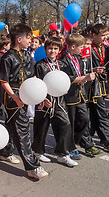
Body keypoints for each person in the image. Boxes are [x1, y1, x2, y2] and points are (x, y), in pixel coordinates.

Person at [0, 24, 48, 179]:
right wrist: (15, 98)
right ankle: (33, 166)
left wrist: (40, 95)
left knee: (12, 124)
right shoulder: (7, 57)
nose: (30, 41)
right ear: (19, 39)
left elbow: (32, 78)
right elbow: (4, 81)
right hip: (13, 96)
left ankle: (5, 151)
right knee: (23, 129)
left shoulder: (27, 55)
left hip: (26, 93)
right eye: (28, 38)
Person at [31, 37, 76, 167]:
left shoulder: (63, 64)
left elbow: (65, 80)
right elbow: (36, 83)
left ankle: (63, 154)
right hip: (44, 100)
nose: (52, 51)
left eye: (55, 48)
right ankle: (37, 151)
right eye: (50, 48)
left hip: (59, 100)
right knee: (41, 126)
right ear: (45, 49)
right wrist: (42, 98)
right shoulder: (40, 65)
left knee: (65, 124)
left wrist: (64, 88)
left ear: (59, 50)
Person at [60, 34, 101, 158]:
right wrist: (83, 78)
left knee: (84, 119)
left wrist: (88, 74)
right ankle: (70, 147)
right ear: (73, 46)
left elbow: (81, 72)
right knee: (71, 122)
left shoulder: (77, 57)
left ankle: (75, 140)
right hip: (71, 96)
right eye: (81, 46)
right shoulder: (63, 60)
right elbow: (65, 78)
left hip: (81, 94)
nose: (83, 49)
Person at [88, 24, 109, 151]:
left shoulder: (106, 48)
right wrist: (93, 69)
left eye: (107, 34)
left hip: (102, 83)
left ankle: (92, 137)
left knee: (97, 113)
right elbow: (81, 65)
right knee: (97, 113)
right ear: (94, 35)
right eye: (103, 35)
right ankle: (105, 140)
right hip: (91, 84)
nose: (106, 37)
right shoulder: (88, 48)